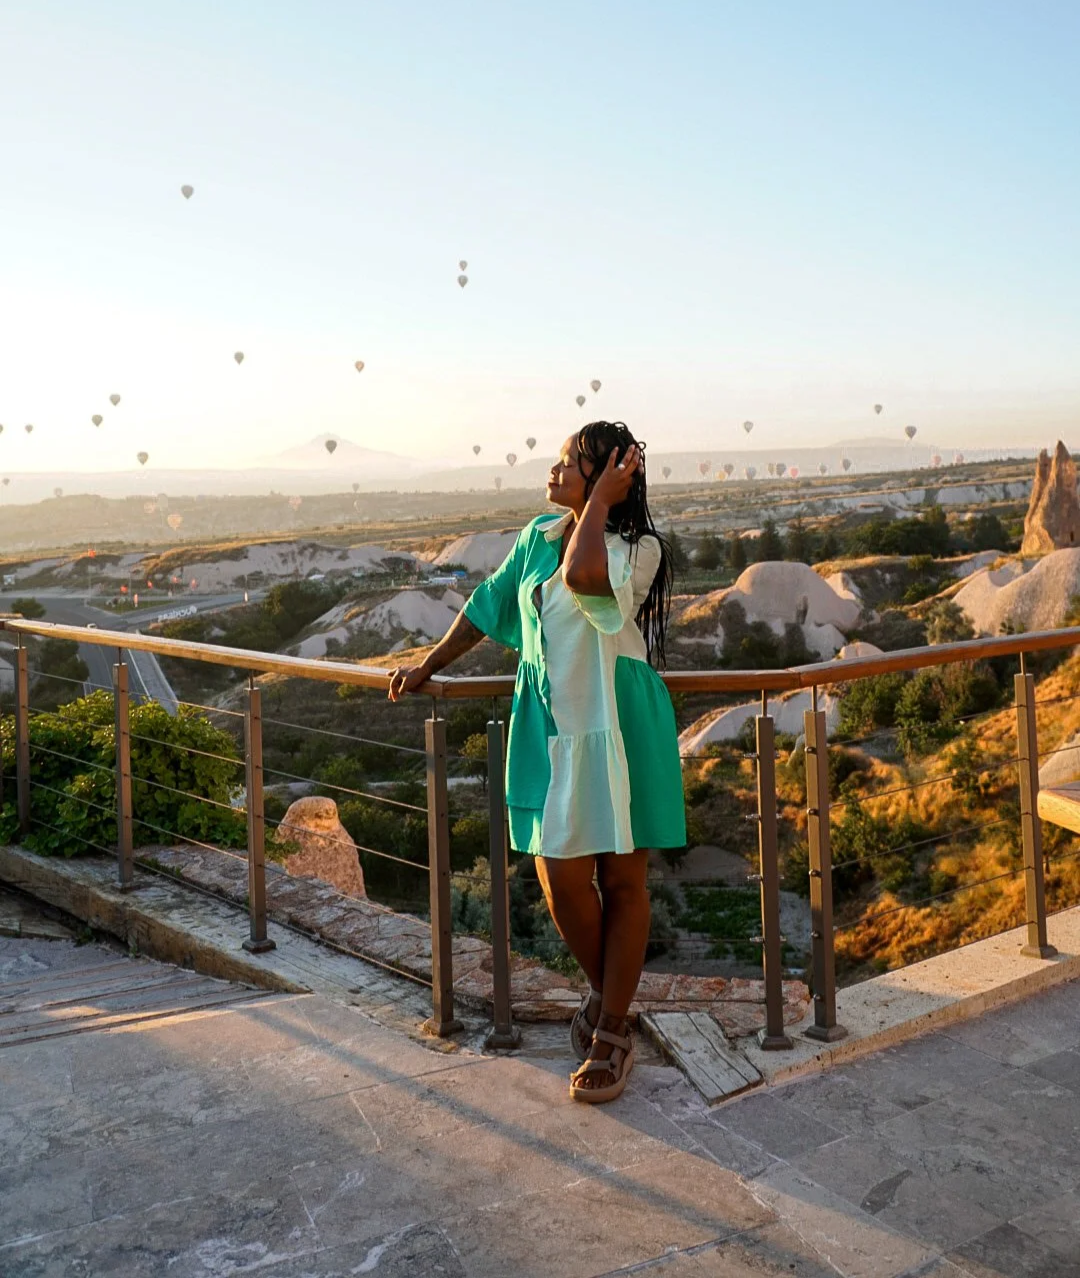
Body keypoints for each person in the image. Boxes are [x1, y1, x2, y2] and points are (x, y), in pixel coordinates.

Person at [388, 422, 686, 1103]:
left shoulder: (638, 549)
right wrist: (427, 664)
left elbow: (586, 581)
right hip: (549, 728)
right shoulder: (537, 539)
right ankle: (614, 1002)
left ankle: (611, 1030)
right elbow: (485, 607)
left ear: (611, 475)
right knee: (561, 883)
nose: (550, 474)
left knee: (625, 881)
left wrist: (602, 506)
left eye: (567, 465)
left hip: (619, 721)